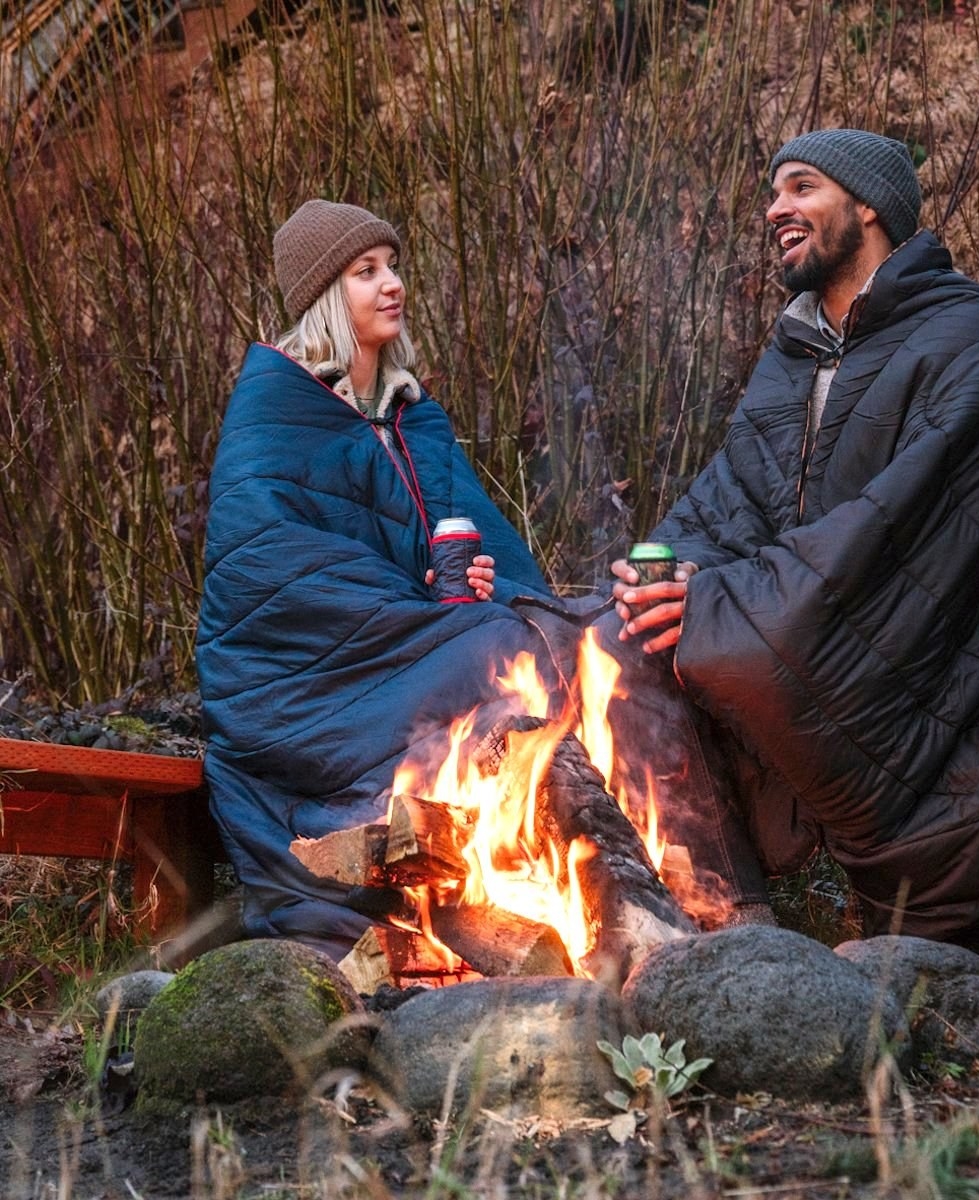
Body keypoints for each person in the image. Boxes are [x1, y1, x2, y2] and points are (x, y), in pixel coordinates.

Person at [609, 129, 979, 955]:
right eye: (774, 192)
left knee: (745, 643)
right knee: (617, 640)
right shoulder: (794, 352)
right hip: (827, 612)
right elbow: (730, 499)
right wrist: (664, 571)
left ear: (868, 207)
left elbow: (900, 531)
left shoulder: (970, 338)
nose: (775, 208)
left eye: (801, 188)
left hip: (953, 653)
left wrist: (721, 603)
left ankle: (923, 916)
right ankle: (727, 924)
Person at [197, 199, 767, 964]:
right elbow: (272, 574)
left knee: (610, 632)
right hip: (313, 682)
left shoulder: (410, 416)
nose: (391, 283)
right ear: (326, 296)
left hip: (417, 639)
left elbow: (481, 553)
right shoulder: (275, 410)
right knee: (519, 648)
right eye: (366, 272)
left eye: (392, 265)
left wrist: (484, 583)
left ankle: (721, 907)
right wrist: (426, 606)